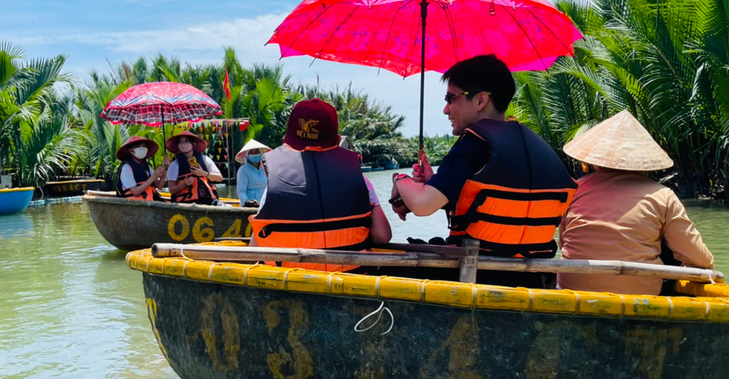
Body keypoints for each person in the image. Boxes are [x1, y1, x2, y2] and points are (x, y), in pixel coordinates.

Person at [390, 54, 577, 286]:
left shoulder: (473, 144)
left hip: (478, 274)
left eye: (451, 98)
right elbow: (494, 203)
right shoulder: (534, 144)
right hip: (532, 278)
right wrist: (434, 183)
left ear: (480, 101)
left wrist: (399, 180)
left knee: (385, 265)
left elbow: (422, 205)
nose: (446, 110)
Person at [558, 110, 714, 295]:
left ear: (596, 161)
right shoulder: (663, 195)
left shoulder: (574, 189)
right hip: (640, 293)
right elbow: (698, 260)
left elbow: (564, 243)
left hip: (573, 288)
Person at [250, 98, 391, 260]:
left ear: (289, 140)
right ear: (337, 140)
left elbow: (256, 247)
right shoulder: (360, 180)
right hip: (349, 276)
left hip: (290, 279)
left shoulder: (274, 183)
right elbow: (382, 236)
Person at [166, 131, 223, 204]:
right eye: (181, 142)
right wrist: (184, 184)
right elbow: (172, 190)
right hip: (185, 203)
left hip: (208, 201)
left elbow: (220, 178)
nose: (183, 145)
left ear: (193, 144)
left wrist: (203, 173)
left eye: (186, 141)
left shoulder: (205, 159)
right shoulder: (175, 165)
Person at [115, 136, 169, 201]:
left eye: (144, 146)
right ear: (131, 151)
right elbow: (136, 192)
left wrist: (165, 168)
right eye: (139, 147)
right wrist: (154, 176)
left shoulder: (147, 167)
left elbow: (159, 186)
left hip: (148, 203)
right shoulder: (127, 168)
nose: (143, 148)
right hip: (133, 205)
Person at [235, 139, 270, 208]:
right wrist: (247, 201)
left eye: (257, 151)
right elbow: (241, 191)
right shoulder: (243, 170)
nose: (254, 154)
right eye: (251, 152)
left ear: (261, 153)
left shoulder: (266, 168)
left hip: (264, 204)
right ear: (247, 155)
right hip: (249, 206)